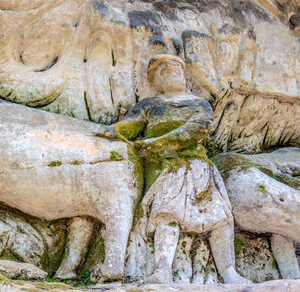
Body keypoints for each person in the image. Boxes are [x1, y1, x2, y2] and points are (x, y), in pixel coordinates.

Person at [99, 54, 250, 284]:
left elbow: (198, 128)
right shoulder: (150, 106)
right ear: (156, 81)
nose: (171, 73)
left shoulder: (199, 104)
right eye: (164, 71)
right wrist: (112, 130)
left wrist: (156, 143)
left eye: (176, 70)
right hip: (164, 168)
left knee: (220, 216)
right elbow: (130, 125)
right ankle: (162, 270)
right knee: (166, 213)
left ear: (185, 77)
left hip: (198, 166)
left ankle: (229, 272)